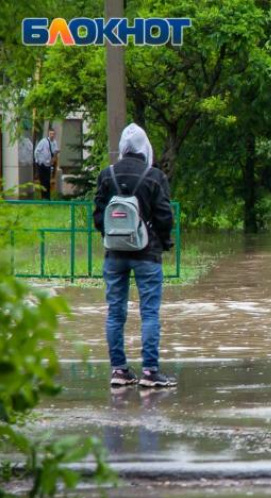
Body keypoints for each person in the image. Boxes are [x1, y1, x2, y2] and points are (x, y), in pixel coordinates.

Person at [93, 123, 176, 389]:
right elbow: (165, 217)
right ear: (145, 148)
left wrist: (112, 238)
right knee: (149, 312)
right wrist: (163, 242)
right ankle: (150, 372)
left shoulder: (107, 175)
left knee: (115, 313)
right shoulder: (154, 176)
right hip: (147, 254)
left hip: (114, 254)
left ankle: (119, 370)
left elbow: (98, 217)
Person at [34, 128, 59, 200]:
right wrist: (38, 161)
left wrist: (53, 160)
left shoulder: (54, 142)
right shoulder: (43, 142)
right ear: (48, 134)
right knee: (42, 181)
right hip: (41, 164)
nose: (52, 135)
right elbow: (36, 151)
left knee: (47, 181)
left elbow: (55, 152)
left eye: (53, 134)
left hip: (48, 164)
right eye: (50, 133)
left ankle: (48, 197)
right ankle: (43, 197)